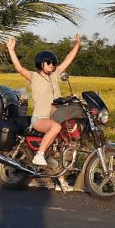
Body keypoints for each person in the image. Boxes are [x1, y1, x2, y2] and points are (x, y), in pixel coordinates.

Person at [6, 34, 82, 167]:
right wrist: (11, 50)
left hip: (56, 116)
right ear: (41, 63)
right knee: (56, 127)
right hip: (40, 119)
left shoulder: (55, 75)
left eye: (53, 63)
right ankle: (39, 155)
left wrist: (77, 45)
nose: (51, 65)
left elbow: (67, 60)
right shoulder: (34, 76)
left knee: (67, 139)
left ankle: (60, 174)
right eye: (48, 62)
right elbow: (19, 68)